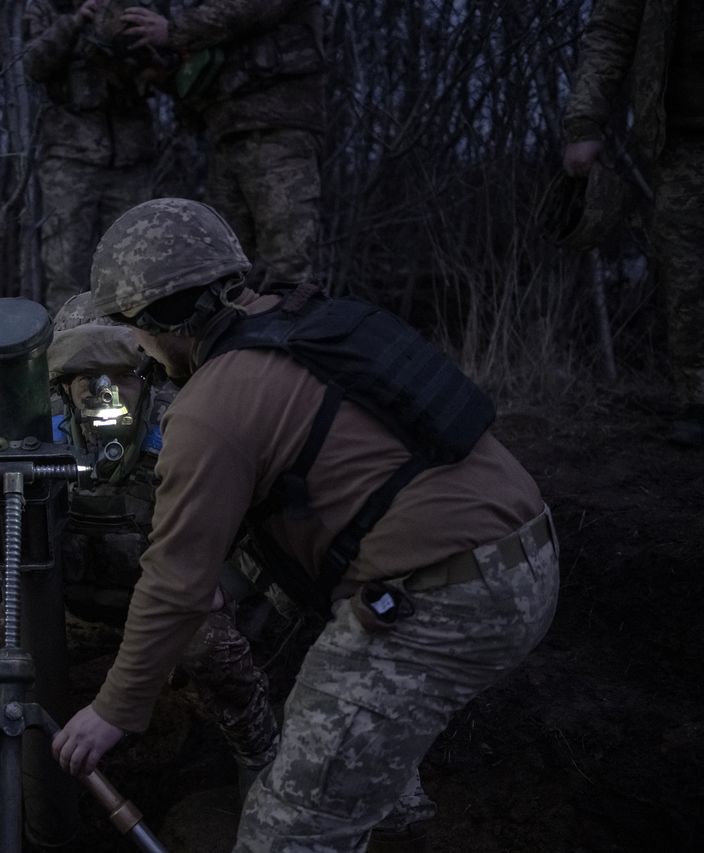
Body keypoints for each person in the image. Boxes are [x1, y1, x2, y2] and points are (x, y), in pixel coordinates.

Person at [51, 198, 560, 852]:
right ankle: (391, 814)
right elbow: (322, 491)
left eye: (134, 329)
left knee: (286, 831)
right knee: (335, 741)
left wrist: (114, 709)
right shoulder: (307, 322)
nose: (141, 351)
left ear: (161, 317)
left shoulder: (210, 408)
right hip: (524, 554)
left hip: (443, 599)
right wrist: (226, 585)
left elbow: (173, 581)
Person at [0, 292, 280, 817]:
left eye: (117, 370)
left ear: (145, 368)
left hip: (168, 608)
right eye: (82, 373)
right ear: (58, 380)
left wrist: (221, 582)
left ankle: (259, 758)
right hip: (63, 610)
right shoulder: (38, 429)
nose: (102, 389)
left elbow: (265, 520)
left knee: (214, 654)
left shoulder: (188, 423)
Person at [562, 0, 704, 447]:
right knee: (688, 276)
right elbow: (611, 31)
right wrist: (585, 121)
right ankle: (698, 402)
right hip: (683, 141)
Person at [120, 0, 326, 291]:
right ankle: (240, 333)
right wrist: (168, 69)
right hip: (225, 132)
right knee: (227, 267)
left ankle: (294, 332)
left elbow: (245, 10)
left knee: (288, 267)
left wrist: (173, 30)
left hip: (277, 129)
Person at [24, 0, 162, 314]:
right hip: (70, 158)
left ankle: (134, 357)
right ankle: (70, 357)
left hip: (132, 158)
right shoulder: (47, 7)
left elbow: (168, 66)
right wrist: (74, 22)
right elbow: (32, 63)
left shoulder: (136, 6)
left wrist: (145, 48)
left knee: (135, 267)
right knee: (66, 270)